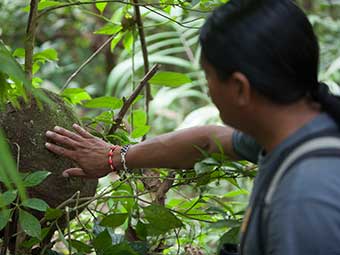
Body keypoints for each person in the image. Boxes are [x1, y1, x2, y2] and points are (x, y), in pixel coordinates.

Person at [45, 0, 340, 254]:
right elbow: (209, 141)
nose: (208, 89)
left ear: (239, 88)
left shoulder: (304, 200)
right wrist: (113, 157)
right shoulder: (301, 129)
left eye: (209, 75)